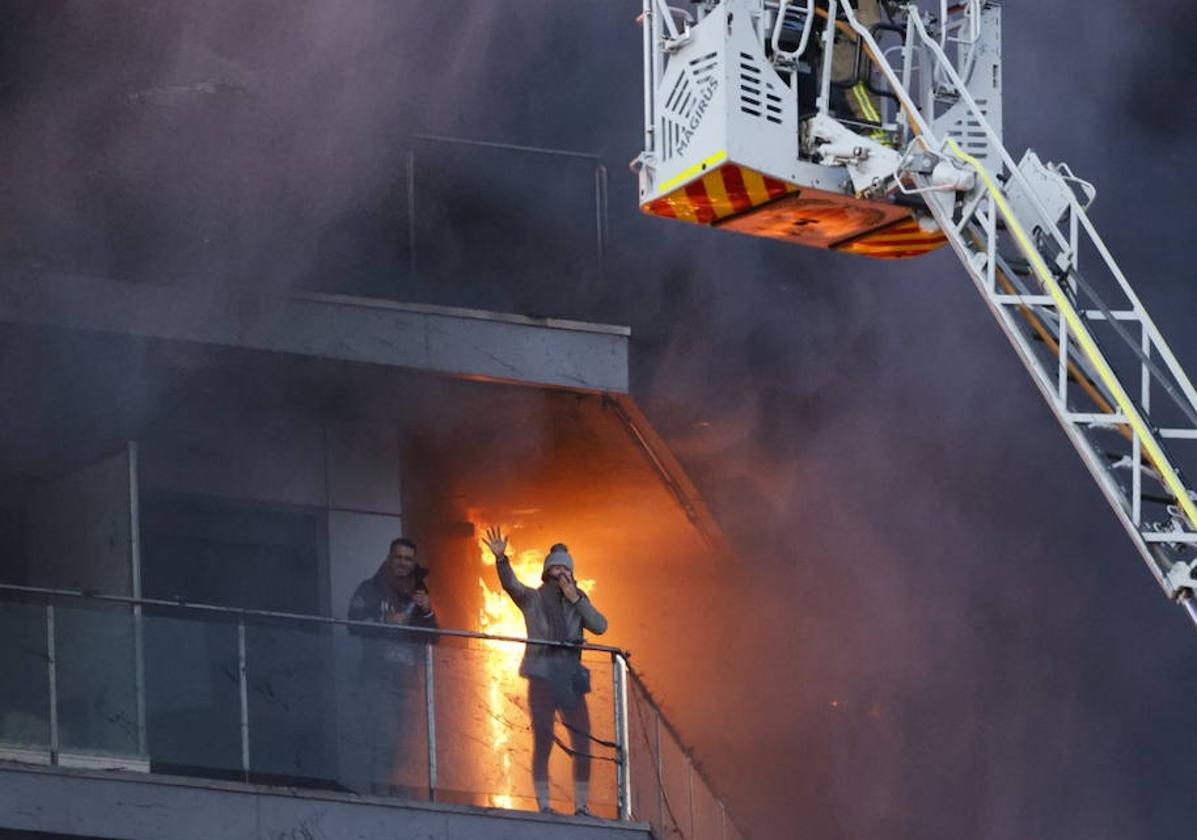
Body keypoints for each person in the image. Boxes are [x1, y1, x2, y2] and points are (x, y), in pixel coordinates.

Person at [483, 526, 608, 816]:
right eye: (557, 567)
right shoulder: (533, 599)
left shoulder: (579, 600)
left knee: (583, 742)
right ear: (547, 571)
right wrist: (502, 560)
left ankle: (582, 805)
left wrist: (575, 598)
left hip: (571, 678)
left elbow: (600, 626)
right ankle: (544, 805)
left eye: (566, 567)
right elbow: (512, 586)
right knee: (543, 740)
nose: (562, 572)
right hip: (541, 675)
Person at [344, 537, 437, 796]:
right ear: (389, 558)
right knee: (384, 738)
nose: (403, 563)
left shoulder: (419, 594)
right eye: (399, 557)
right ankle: (381, 798)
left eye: (408, 559)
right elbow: (354, 623)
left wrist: (428, 612)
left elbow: (433, 638)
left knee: (406, 745)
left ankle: (400, 799)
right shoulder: (371, 588)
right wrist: (386, 619)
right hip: (378, 678)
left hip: (409, 681)